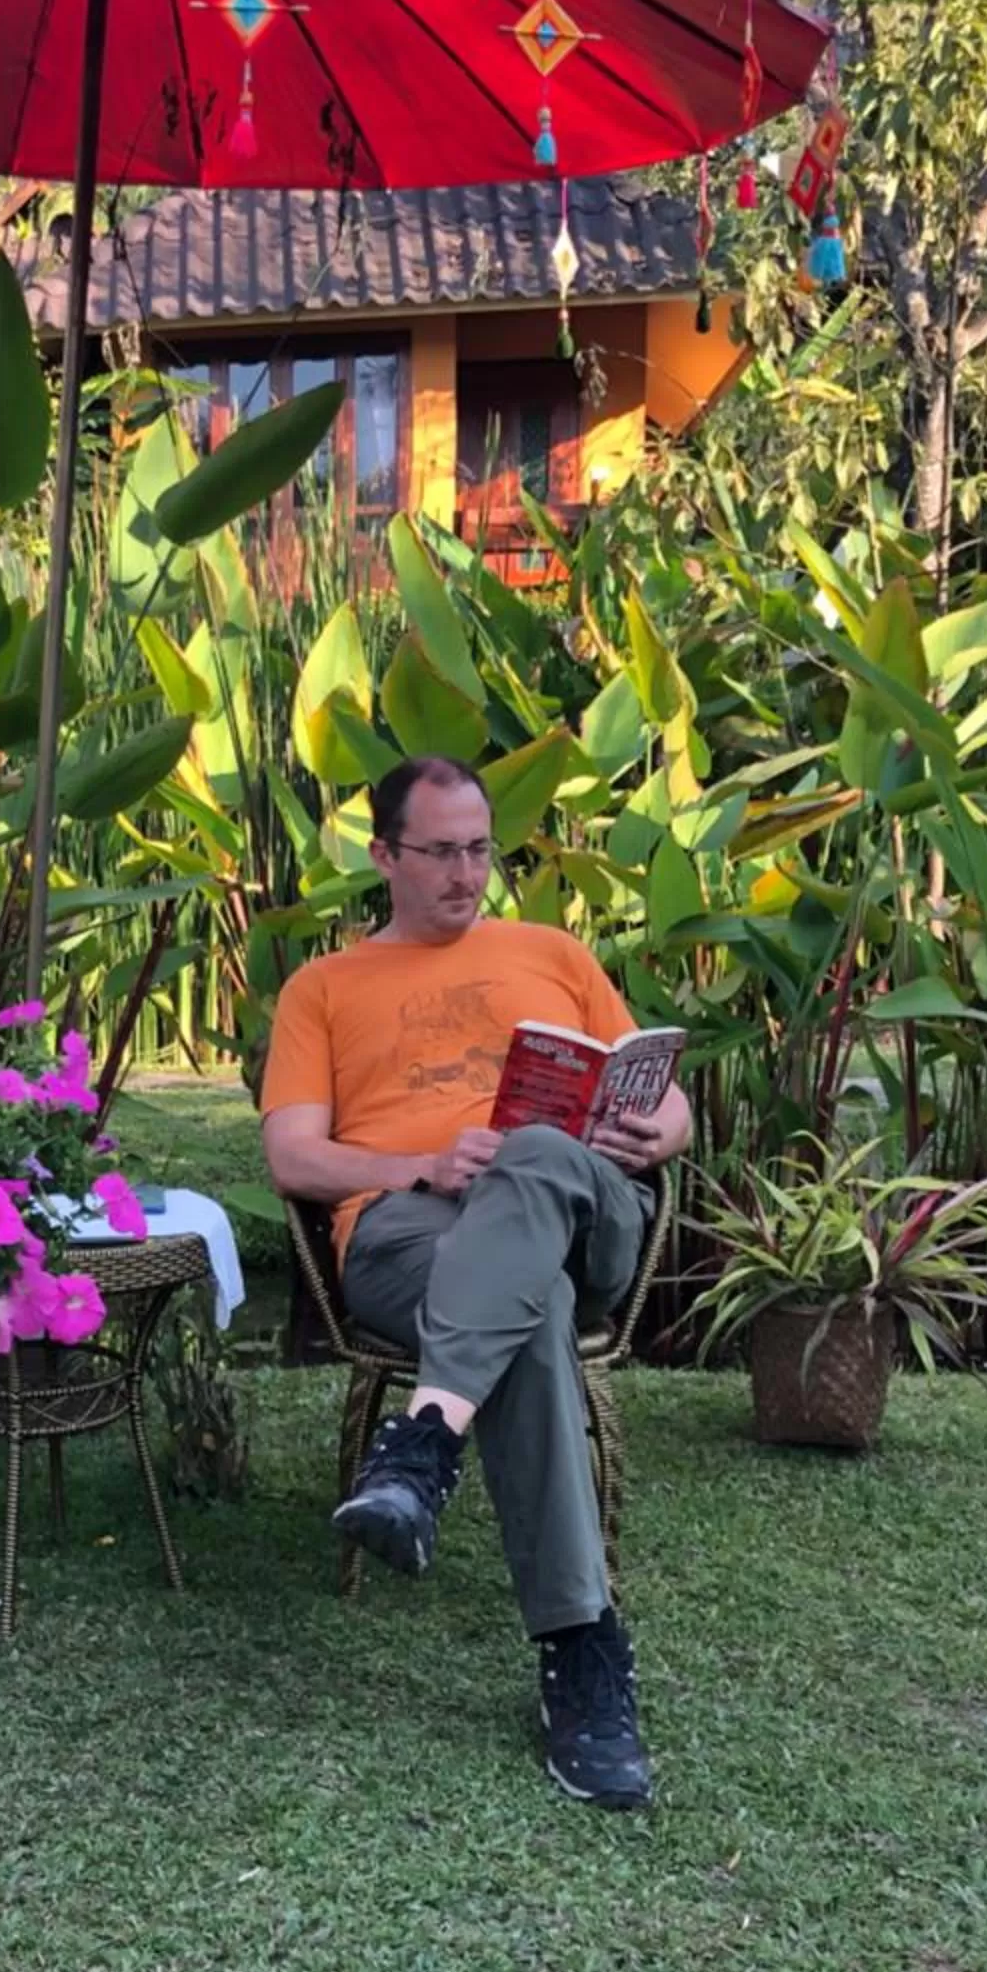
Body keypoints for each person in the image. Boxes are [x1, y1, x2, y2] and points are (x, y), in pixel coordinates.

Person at [259, 755, 690, 1810]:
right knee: (522, 1303)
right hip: (412, 1232)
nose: (465, 874)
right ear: (385, 857)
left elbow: (670, 1105)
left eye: (479, 850)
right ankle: (582, 1652)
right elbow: (293, 1159)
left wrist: (653, 1128)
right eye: (441, 852)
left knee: (535, 1153)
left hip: (583, 1214)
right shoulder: (322, 988)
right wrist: (416, 1165)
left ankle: (420, 1450)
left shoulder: (552, 950)